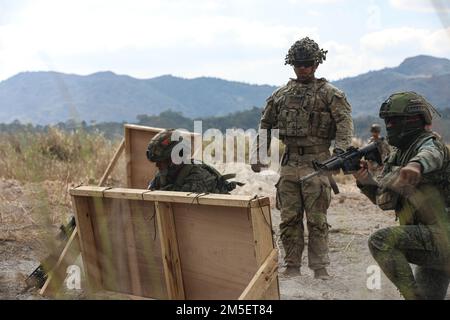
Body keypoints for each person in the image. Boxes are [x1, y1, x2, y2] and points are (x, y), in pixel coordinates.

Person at [251, 37, 354, 279]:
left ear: (317, 64)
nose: (303, 69)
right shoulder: (281, 95)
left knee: (317, 219)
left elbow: (344, 124)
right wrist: (259, 154)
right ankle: (292, 265)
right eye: (298, 64)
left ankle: (320, 268)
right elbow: (265, 125)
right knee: (289, 217)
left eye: (307, 64)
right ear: (292, 65)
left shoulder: (331, 94)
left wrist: (340, 152)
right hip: (289, 163)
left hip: (318, 161)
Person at [354, 91, 450, 299]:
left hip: (443, 236)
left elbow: (431, 154)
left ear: (414, 120)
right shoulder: (398, 153)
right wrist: (365, 181)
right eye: (387, 121)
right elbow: (385, 201)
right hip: (431, 237)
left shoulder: (429, 142)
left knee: (381, 241)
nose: (390, 126)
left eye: (394, 121)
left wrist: (416, 166)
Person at [147, 129, 241, 194]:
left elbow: (182, 206)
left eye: (162, 161)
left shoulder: (198, 176)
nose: (157, 165)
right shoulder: (163, 175)